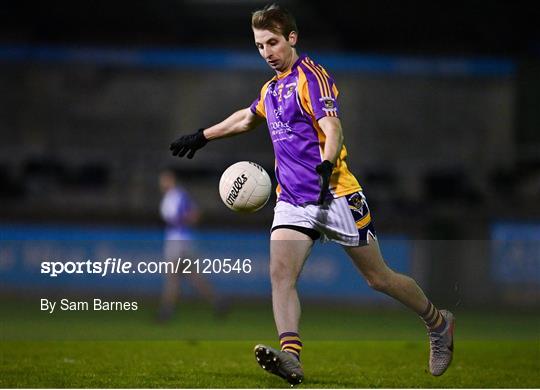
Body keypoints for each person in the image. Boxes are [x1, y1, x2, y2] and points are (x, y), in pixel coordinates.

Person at [169, 4, 454, 385]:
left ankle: (438, 323)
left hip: (333, 192)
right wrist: (202, 136)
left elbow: (331, 126)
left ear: (292, 38)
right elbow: (246, 117)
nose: (267, 52)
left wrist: (327, 162)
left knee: (379, 279)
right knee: (281, 275)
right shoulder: (271, 88)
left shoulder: (312, 78)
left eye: (272, 42)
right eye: (259, 46)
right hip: (291, 200)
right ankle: (291, 357)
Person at [157, 168, 220, 322]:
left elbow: (194, 214)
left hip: (178, 241)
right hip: (179, 240)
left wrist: (182, 220)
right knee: (194, 277)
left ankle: (166, 312)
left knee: (173, 278)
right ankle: (218, 302)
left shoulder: (177, 195)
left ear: (171, 179)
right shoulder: (170, 196)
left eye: (165, 179)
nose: (162, 182)